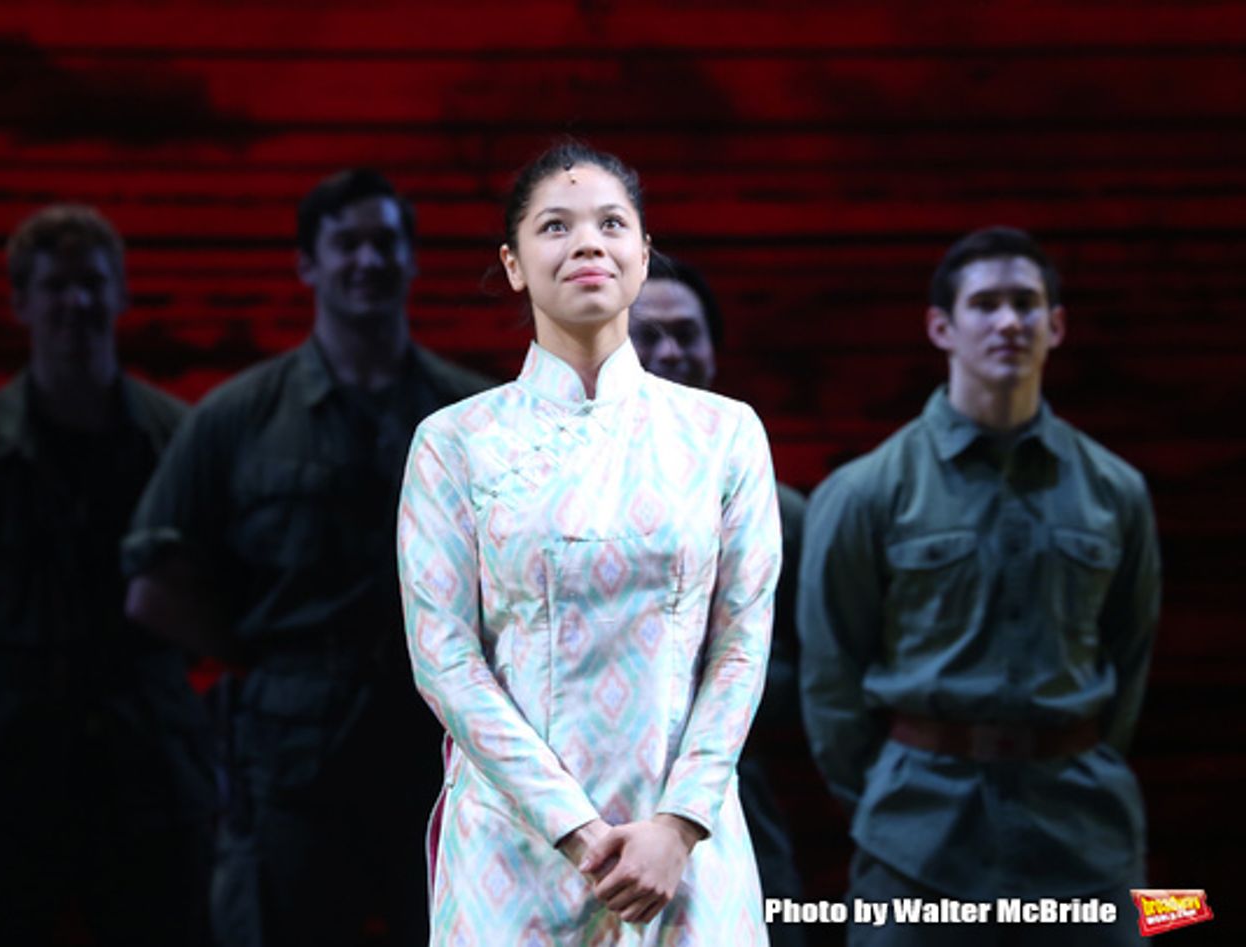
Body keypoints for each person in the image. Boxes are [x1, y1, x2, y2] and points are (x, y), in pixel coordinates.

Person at [397, 142, 781, 944]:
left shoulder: (722, 433)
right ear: (513, 264)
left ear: (643, 257)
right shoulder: (455, 442)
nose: (587, 243)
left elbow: (742, 643)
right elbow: (445, 659)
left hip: (685, 841)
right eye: (554, 226)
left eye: (612, 223)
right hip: (514, 847)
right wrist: (576, 827)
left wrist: (676, 825)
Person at [123, 169, 491, 947]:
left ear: (412, 260)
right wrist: (263, 656)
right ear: (307, 264)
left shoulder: (471, 418)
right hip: (290, 759)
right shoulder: (241, 416)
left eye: (385, 242)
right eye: (346, 243)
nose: (368, 260)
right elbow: (152, 584)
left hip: (437, 749)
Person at [798, 226, 1160, 945]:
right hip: (918, 839)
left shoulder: (1115, 491)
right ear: (942, 326)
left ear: (1055, 325)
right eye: (985, 304)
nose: (1008, 322)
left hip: (1083, 834)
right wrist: (883, 794)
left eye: (1026, 304)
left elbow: (1130, 652)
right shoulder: (867, 490)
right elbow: (830, 677)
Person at [0, 204, 215, 947]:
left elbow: (215, 592)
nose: (77, 302)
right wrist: (11, 675)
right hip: (5, 758)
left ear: (121, 294)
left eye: (93, 282)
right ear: (22, 302)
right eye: (57, 284)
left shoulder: (177, 440)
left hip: (148, 755)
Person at [630, 255, 807, 946]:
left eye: (686, 333)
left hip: (742, 792)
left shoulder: (785, 512)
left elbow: (821, 671)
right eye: (648, 335)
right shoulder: (556, 501)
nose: (670, 351)